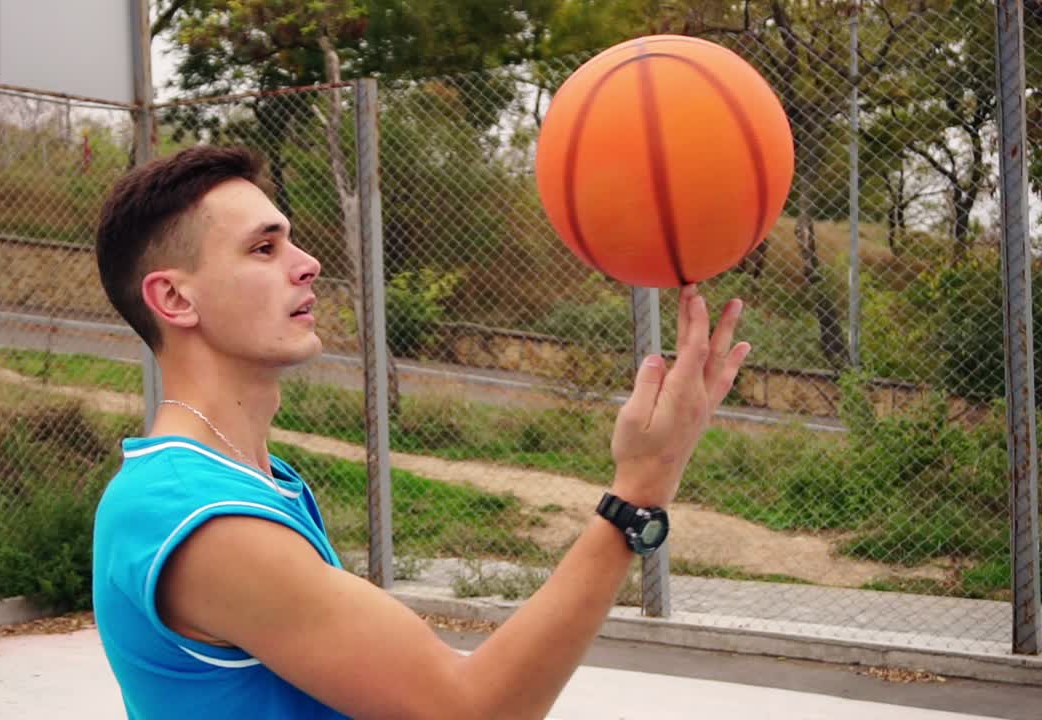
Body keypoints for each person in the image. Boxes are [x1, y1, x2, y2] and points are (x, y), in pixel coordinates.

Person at [91, 145, 751, 719]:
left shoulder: (253, 481)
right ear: (174, 299)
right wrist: (638, 491)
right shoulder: (199, 519)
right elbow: (469, 708)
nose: (308, 262)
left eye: (290, 240)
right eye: (264, 248)